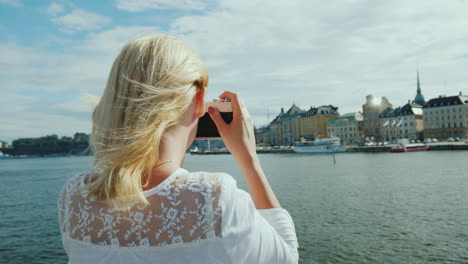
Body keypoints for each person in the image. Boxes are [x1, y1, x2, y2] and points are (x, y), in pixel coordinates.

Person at [57, 34, 299, 264]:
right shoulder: (215, 197)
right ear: (199, 100)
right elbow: (287, 258)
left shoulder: (74, 196)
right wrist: (249, 159)